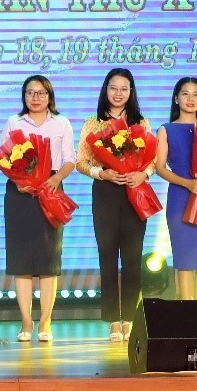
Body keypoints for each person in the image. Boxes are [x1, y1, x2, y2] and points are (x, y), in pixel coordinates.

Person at [75, 68, 157, 342]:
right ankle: (112, 319)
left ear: (131, 92)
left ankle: (130, 319)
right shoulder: (93, 123)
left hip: (134, 191)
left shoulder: (140, 123)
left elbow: (153, 160)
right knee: (107, 256)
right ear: (105, 90)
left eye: (124, 88)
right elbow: (81, 162)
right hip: (106, 192)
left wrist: (142, 174)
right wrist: (104, 173)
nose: (118, 93)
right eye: (113, 87)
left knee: (133, 259)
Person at [1, 76, 74, 343]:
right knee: (21, 261)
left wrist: (55, 180)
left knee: (47, 260)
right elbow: (6, 157)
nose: (35, 97)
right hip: (19, 193)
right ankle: (26, 321)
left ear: (49, 96)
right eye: (30, 93)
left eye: (41, 93)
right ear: (24, 96)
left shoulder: (61, 123)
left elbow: (70, 160)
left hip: (51, 189)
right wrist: (21, 181)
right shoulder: (14, 122)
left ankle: (45, 321)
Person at [156, 77, 197, 301]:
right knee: (183, 257)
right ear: (176, 98)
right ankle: (188, 314)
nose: (191, 99)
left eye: (196, 94)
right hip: (180, 197)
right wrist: (188, 183)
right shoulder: (166, 130)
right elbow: (159, 168)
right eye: (185, 94)